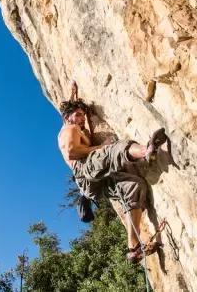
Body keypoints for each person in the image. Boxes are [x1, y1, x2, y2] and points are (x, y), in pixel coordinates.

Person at [57, 82, 167, 263]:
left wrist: (73, 93)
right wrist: (100, 146)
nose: (82, 118)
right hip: (84, 169)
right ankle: (146, 151)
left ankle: (133, 248)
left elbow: (71, 111)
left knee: (134, 186)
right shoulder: (70, 129)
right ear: (67, 118)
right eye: (78, 115)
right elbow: (72, 152)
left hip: (91, 183)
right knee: (113, 150)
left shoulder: (75, 125)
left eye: (83, 115)